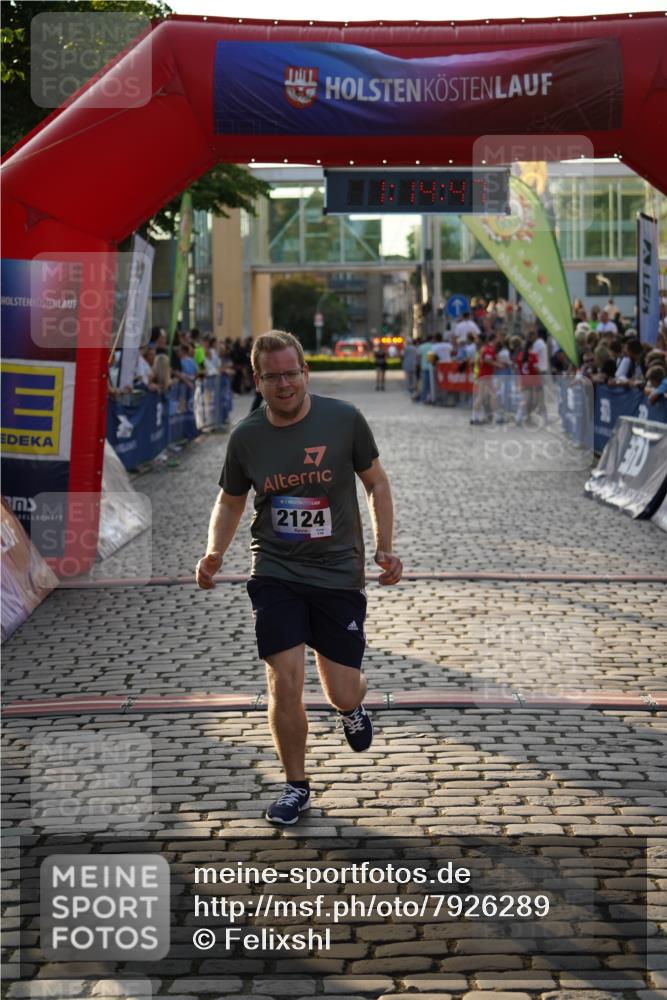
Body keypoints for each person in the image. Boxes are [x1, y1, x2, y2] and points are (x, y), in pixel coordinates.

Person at [195, 330, 402, 826]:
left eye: (291, 373)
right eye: (273, 376)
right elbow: (230, 500)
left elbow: (375, 483)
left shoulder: (344, 420)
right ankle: (296, 786)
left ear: (305, 373)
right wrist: (214, 551)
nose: (284, 384)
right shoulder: (246, 436)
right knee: (283, 683)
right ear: (258, 380)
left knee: (341, 690)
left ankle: (352, 709)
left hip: (337, 573)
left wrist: (385, 546)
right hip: (275, 570)